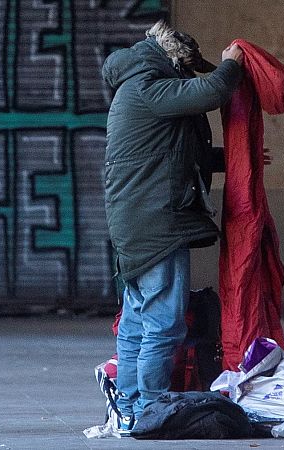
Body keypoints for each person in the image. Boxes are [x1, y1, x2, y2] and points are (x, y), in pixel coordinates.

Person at [101, 20, 243, 434]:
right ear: (175, 62)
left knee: (136, 321)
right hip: (155, 222)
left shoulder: (140, 85)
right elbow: (213, 91)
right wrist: (230, 63)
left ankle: (128, 407)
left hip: (138, 220)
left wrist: (224, 159)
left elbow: (174, 152)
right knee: (163, 322)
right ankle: (148, 406)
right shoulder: (150, 86)